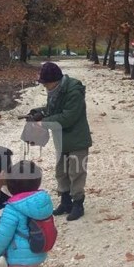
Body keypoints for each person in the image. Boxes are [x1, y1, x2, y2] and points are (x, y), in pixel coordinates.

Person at [28, 62, 92, 221]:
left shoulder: (73, 92)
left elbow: (68, 117)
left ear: (55, 80)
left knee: (76, 172)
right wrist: (39, 112)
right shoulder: (55, 90)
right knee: (61, 171)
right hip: (61, 138)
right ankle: (65, 201)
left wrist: (43, 122)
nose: (45, 87)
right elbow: (53, 109)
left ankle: (78, 203)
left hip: (77, 138)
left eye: (46, 84)